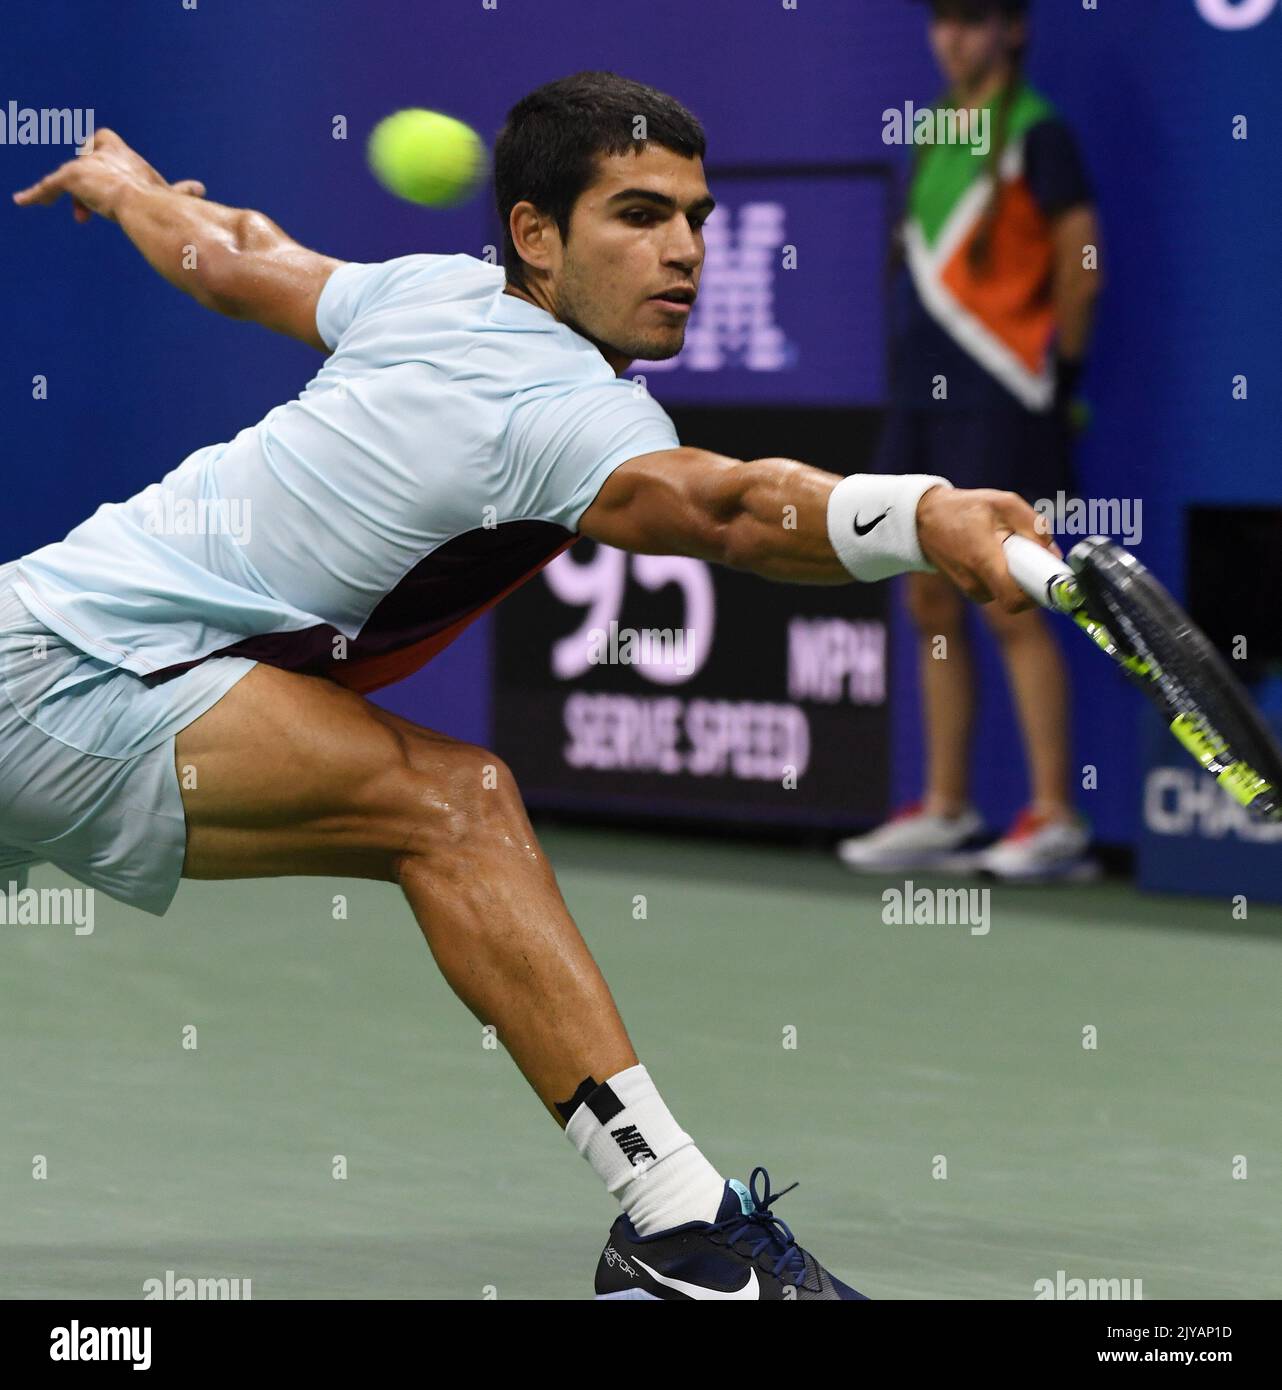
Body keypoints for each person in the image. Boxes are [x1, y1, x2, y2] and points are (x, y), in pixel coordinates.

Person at [9, 71, 1054, 1300]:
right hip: (74, 678)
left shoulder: (427, 293)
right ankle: (677, 1232)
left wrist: (126, 186)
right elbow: (721, 510)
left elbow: (237, 253)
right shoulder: (551, 406)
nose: (684, 251)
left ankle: (673, 1232)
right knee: (455, 808)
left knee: (451, 805)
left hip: (44, 640)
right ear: (535, 236)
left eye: (697, 217)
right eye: (638, 215)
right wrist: (920, 514)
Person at [839, 0, 1102, 880]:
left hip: (1005, 399)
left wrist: (1062, 377)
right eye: (943, 20)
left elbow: (1080, 255)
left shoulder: (1038, 133)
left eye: (974, 19)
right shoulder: (935, 132)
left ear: (1012, 30)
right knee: (926, 596)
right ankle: (948, 808)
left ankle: (1055, 818)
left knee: (1008, 597)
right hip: (921, 402)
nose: (954, 36)